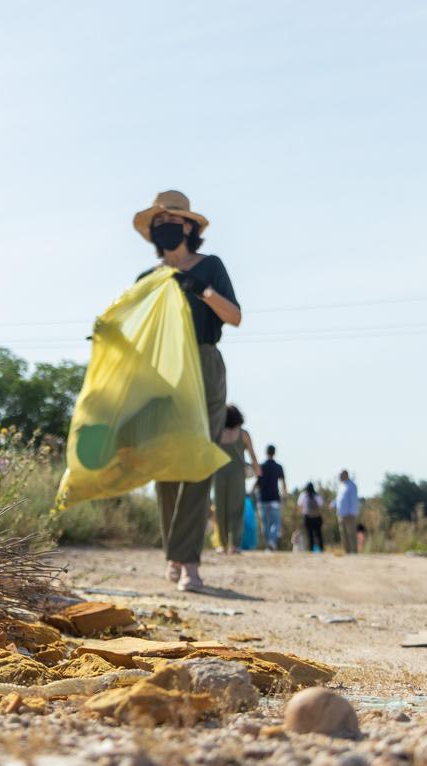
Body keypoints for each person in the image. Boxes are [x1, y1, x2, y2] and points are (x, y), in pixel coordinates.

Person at [133, 190, 241, 592]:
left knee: (198, 461)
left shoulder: (210, 268)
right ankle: (172, 555)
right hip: (162, 370)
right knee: (165, 464)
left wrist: (203, 291)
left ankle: (189, 563)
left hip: (205, 364)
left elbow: (235, 317)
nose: (165, 229)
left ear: (190, 228)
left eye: (172, 222)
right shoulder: (147, 280)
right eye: (158, 224)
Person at [212, 405, 261, 554]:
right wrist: (258, 472)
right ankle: (235, 545)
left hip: (219, 473)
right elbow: (253, 455)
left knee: (220, 509)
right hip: (237, 475)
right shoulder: (243, 434)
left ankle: (223, 544)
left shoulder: (217, 433)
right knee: (236, 509)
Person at [256, 445, 287, 550]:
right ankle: (272, 542)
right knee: (276, 523)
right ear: (274, 453)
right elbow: (283, 483)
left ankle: (269, 543)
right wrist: (285, 496)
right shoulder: (279, 467)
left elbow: (258, 484)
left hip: (263, 499)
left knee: (265, 524)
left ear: (266, 452)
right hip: (274, 498)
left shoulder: (261, 466)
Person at [335, 469, 360, 554]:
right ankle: (347, 551)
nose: (339, 477)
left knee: (351, 534)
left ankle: (354, 551)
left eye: (341, 475)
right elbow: (339, 499)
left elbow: (354, 501)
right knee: (343, 534)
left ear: (346, 475)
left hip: (349, 514)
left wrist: (352, 512)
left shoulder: (351, 485)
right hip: (341, 514)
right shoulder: (341, 486)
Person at [299, 482, 326, 552]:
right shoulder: (317, 496)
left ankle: (311, 549)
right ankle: (321, 549)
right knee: (319, 534)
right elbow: (321, 505)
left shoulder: (303, 495)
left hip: (307, 517)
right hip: (317, 517)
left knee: (309, 534)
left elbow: (299, 505)